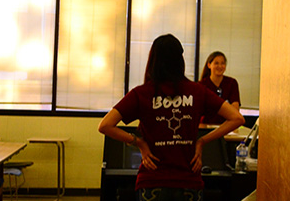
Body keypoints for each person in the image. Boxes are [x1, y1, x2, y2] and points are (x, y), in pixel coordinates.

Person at [99, 34, 245, 201]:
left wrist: (138, 142)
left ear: (152, 60)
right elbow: (237, 119)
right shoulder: (197, 91)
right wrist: (201, 141)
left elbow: (105, 125)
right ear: (180, 60)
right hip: (189, 181)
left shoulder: (142, 93)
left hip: (152, 182)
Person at [198, 51, 241, 125]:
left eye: (222, 63)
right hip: (206, 126)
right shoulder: (201, 85)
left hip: (226, 126)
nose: (220, 66)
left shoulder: (232, 83)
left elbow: (235, 109)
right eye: (216, 63)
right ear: (209, 65)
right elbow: (199, 110)